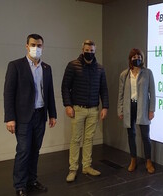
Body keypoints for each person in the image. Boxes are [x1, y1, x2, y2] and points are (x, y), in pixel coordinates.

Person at [4, 34, 57, 196]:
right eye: (33, 45)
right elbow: (8, 93)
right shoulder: (15, 66)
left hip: (40, 115)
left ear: (43, 47)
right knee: (24, 151)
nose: (36, 48)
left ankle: (32, 180)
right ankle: (20, 185)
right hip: (23, 117)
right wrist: (10, 118)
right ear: (26, 46)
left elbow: (49, 92)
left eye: (39, 45)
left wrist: (52, 114)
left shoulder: (46, 68)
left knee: (35, 150)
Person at [61, 40, 109, 182]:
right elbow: (65, 87)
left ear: (95, 51)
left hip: (93, 110)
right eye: (87, 50)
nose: (89, 53)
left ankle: (87, 166)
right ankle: (73, 169)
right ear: (83, 50)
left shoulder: (100, 69)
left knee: (89, 139)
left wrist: (105, 106)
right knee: (76, 139)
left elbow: (103, 89)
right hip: (78, 109)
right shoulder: (73, 65)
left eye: (92, 51)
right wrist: (68, 105)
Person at [117, 48, 156, 173]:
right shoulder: (124, 74)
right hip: (129, 107)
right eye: (134, 57)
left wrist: (151, 110)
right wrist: (120, 110)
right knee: (131, 134)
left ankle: (148, 161)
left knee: (145, 136)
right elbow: (121, 94)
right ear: (130, 59)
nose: (137, 59)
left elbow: (153, 93)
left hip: (143, 107)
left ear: (142, 58)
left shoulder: (148, 73)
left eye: (139, 56)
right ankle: (133, 159)